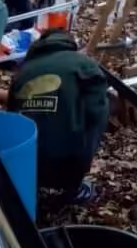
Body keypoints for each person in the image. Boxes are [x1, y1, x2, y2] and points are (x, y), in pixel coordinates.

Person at [8, 28, 109, 204]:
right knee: (102, 105)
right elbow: (96, 110)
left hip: (28, 160)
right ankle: (74, 187)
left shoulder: (22, 71)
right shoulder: (84, 64)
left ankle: (34, 186)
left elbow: (11, 116)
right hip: (68, 157)